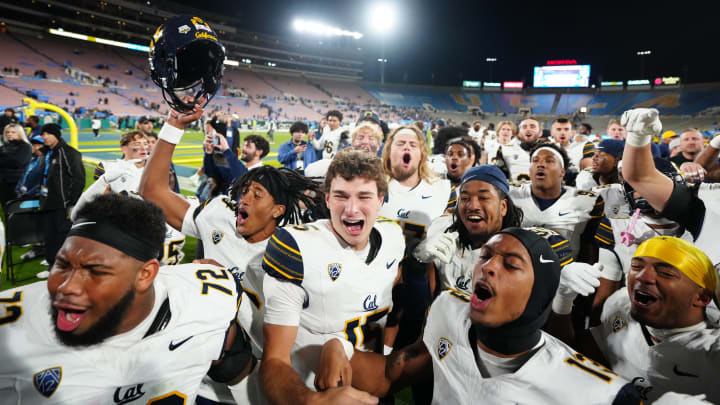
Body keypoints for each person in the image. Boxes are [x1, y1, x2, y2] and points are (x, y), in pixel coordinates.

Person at [316, 227, 644, 404]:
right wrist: (338, 348)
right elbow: (389, 375)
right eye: (486, 255)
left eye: (511, 264)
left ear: (541, 293)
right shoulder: (449, 310)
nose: (487, 266)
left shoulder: (594, 391)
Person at [139, 101, 326, 404]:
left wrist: (226, 283)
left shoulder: (297, 244)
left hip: (264, 371)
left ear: (278, 210)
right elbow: (152, 192)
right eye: (244, 192)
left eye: (257, 195)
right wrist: (174, 126)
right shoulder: (220, 214)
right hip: (201, 373)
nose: (244, 200)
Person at [0, 194, 253, 403]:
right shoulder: (11, 328)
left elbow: (235, 363)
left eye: (95, 270)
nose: (68, 286)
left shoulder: (205, 293)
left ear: (145, 275)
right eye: (62, 264)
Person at [259, 149, 404, 405]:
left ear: (381, 200)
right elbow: (274, 362)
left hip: (373, 381)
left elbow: (389, 293)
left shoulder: (393, 237)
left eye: (364, 197)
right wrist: (312, 402)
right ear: (326, 198)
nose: (351, 209)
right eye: (341, 196)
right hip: (314, 388)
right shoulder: (298, 248)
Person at [549, 235, 720, 403]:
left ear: (702, 297)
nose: (642, 277)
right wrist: (563, 300)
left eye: (666, 273)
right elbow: (570, 357)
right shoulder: (621, 304)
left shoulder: (710, 353)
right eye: (637, 266)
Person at [508, 143, 603, 261]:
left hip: (566, 274)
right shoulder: (510, 194)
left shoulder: (587, 201)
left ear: (562, 172)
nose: (540, 165)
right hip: (516, 270)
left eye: (549, 161)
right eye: (535, 161)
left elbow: (590, 247)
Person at [39, 123, 85, 275]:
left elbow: (79, 178)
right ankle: (52, 265)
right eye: (43, 134)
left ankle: (63, 268)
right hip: (47, 201)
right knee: (49, 235)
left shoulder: (69, 153)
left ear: (56, 135)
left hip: (62, 203)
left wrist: (71, 202)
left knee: (62, 237)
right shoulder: (47, 153)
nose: (44, 137)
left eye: (47, 134)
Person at [304, 122, 383, 179]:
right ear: (352, 143)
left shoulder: (385, 171)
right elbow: (309, 171)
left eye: (371, 138)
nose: (365, 142)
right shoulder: (340, 164)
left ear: (379, 146)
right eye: (360, 137)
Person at [493, 117, 546, 181]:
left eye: (532, 127)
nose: (528, 129)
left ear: (540, 133)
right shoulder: (504, 150)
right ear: (519, 133)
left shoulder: (552, 151)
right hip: (514, 190)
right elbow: (498, 179)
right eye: (524, 127)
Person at [0, 123, 32, 207]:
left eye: (13, 132)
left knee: (14, 209)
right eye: (7, 132)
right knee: (5, 208)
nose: (9, 134)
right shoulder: (3, 147)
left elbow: (17, 162)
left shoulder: (26, 146)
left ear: (20, 133)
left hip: (17, 183)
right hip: (3, 183)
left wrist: (4, 159)